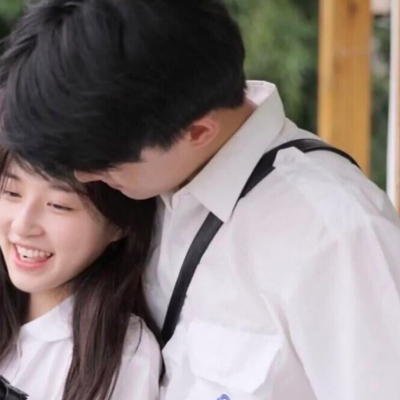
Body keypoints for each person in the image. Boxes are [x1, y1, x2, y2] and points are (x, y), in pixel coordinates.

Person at [1, 1, 400, 399]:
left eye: (102, 164)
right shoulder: (158, 174)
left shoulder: (337, 239)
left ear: (197, 132)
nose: (84, 177)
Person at [0, 148, 161, 400]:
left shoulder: (121, 352)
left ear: (119, 225)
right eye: (11, 192)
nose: (22, 226)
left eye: (59, 205)